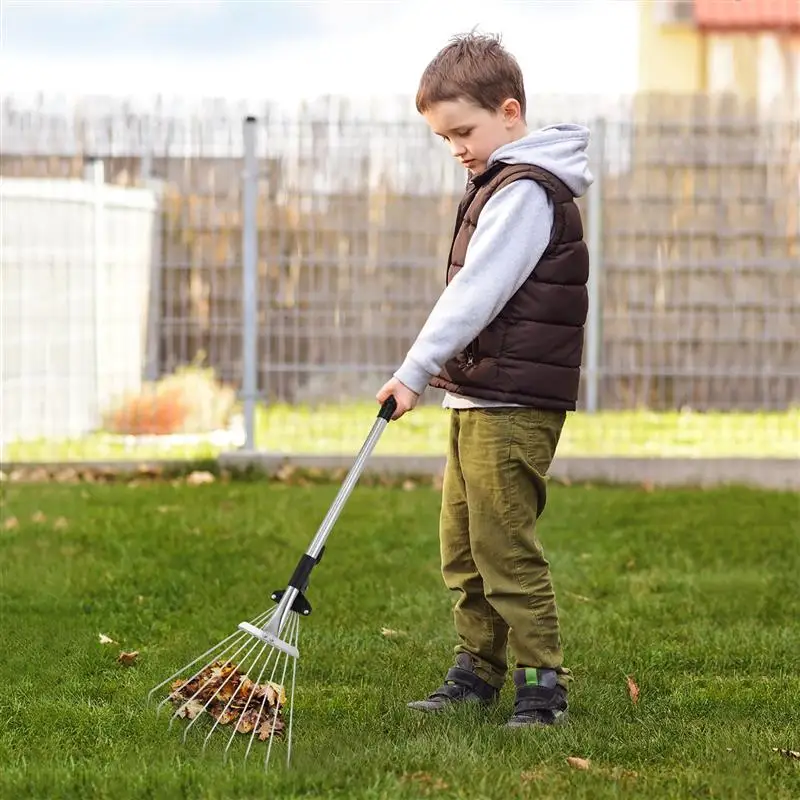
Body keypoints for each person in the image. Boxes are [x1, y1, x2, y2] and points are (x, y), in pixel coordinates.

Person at [375, 31, 593, 728]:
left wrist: (412, 372)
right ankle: (476, 672)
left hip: (513, 404)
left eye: (463, 131)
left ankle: (541, 685)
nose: (458, 148)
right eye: (444, 138)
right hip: (478, 396)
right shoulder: (498, 184)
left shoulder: (526, 192)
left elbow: (478, 294)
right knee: (464, 546)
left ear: (509, 111)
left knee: (504, 545)